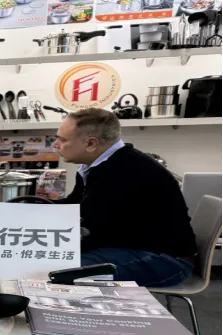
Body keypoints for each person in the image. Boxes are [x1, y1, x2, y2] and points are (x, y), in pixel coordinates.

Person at [53, 108, 196, 288]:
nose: (56, 144)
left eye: (63, 139)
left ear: (91, 143)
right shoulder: (97, 166)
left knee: (49, 269)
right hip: (128, 248)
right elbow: (75, 206)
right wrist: (31, 209)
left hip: (164, 260)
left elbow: (92, 226)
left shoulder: (125, 170)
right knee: (46, 260)